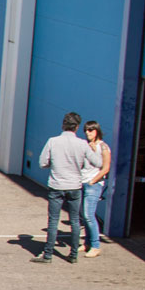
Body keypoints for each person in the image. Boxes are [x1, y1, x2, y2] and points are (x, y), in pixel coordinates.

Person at [34, 112, 99, 264]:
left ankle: (48, 254)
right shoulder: (82, 144)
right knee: (75, 220)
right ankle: (73, 254)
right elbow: (97, 162)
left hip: (57, 185)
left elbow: (43, 163)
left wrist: (55, 164)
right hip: (75, 185)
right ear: (77, 127)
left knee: (53, 220)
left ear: (63, 125)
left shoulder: (53, 141)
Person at [80, 120, 112, 257]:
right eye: (86, 130)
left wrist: (94, 181)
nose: (88, 133)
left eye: (91, 130)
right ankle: (87, 242)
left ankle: (95, 245)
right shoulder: (86, 146)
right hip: (83, 182)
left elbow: (106, 168)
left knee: (89, 215)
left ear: (97, 131)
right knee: (83, 215)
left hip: (94, 184)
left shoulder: (104, 147)